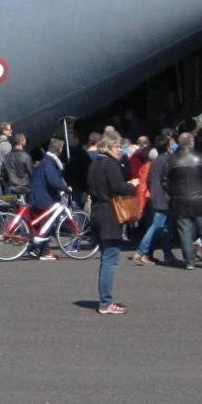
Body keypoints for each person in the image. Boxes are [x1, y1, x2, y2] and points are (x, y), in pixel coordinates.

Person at [86, 133, 132, 313]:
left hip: (97, 211)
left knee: (106, 257)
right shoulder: (111, 164)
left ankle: (105, 300)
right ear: (109, 148)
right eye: (117, 147)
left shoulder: (95, 163)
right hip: (109, 214)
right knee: (110, 259)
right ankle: (105, 302)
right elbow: (119, 187)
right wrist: (134, 185)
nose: (120, 149)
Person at [165, 132, 202, 270]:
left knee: (185, 232)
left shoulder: (172, 160)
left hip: (180, 200)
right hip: (201, 199)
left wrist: (173, 193)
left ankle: (189, 261)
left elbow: (165, 181)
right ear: (192, 142)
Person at [0, 131, 33, 197]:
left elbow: (2, 173)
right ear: (22, 141)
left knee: (13, 206)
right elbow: (31, 173)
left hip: (11, 188)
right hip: (25, 188)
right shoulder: (25, 156)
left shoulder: (6, 156)